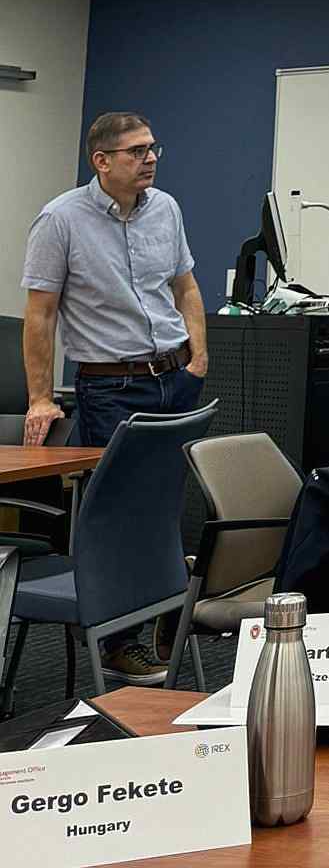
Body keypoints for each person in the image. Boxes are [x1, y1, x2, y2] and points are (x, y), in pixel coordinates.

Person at [20, 112, 207, 684]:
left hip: (175, 377)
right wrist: (39, 398)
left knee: (166, 506)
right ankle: (118, 642)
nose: (149, 159)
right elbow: (40, 314)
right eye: (136, 151)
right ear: (101, 161)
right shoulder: (60, 220)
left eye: (153, 148)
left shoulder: (166, 209)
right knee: (121, 513)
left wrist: (199, 357)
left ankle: (165, 614)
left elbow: (185, 286)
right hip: (111, 386)